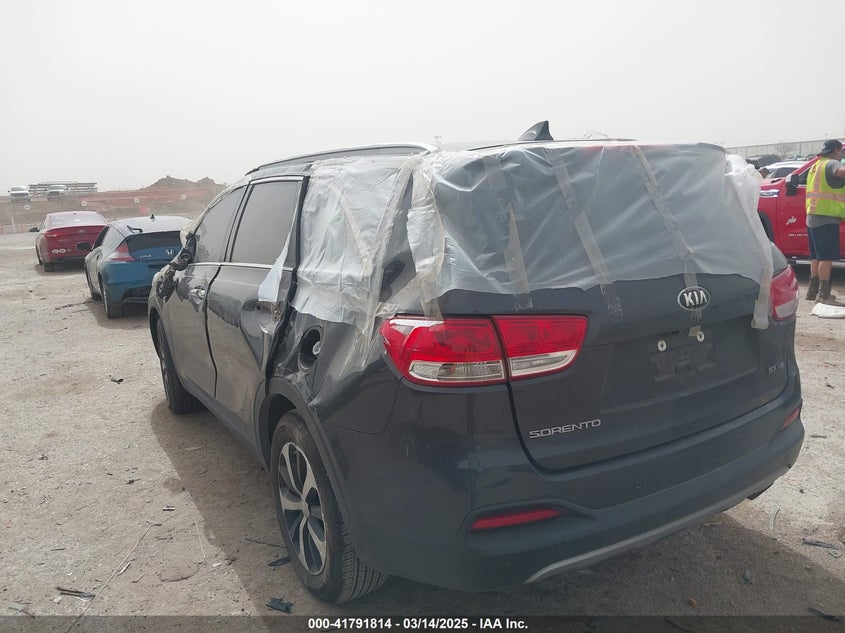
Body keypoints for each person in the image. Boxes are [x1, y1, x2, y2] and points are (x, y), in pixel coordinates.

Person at [805, 139, 845, 305]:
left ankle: (812, 291)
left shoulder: (816, 165)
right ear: (836, 150)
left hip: (812, 216)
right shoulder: (832, 163)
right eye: (841, 151)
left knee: (816, 257)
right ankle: (823, 295)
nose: (841, 154)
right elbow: (840, 171)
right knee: (826, 258)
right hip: (826, 218)